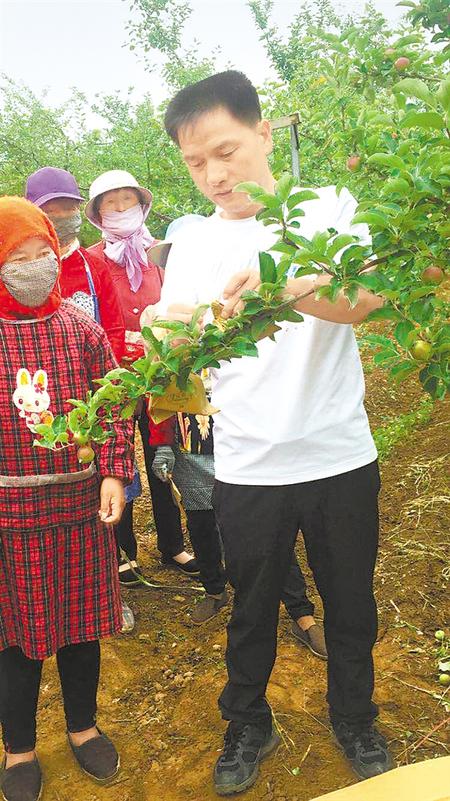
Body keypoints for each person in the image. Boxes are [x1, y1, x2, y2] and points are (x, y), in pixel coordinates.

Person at [152, 70, 393, 795]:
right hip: (249, 464)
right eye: (195, 163)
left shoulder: (326, 207)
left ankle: (354, 715)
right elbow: (175, 340)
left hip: (339, 452)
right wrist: (161, 329)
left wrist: (281, 280)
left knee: (350, 600)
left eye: (224, 151)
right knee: (251, 606)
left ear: (263, 132)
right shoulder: (191, 240)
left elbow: (367, 301)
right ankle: (247, 720)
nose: (214, 174)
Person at [0, 197, 134, 801]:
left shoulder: (78, 328)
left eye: (41, 256)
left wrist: (112, 472)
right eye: (16, 259)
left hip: (78, 510)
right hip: (8, 518)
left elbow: (110, 403)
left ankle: (83, 727)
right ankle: (19, 747)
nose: (33, 269)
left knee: (81, 629)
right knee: (14, 637)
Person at [25, 166, 135, 634]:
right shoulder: (24, 271)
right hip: (35, 409)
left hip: (90, 401)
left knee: (104, 495)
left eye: (68, 207)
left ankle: (112, 580)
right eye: (52, 209)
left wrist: (115, 385)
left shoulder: (91, 265)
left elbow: (109, 326)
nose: (63, 216)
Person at [85, 170, 198, 582]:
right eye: (109, 203)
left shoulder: (160, 253)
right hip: (112, 378)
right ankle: (123, 552)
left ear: (141, 205)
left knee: (164, 459)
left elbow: (177, 304)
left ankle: (173, 546)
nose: (119, 210)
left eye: (126, 201)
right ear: (97, 213)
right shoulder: (91, 260)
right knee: (119, 462)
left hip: (159, 374)